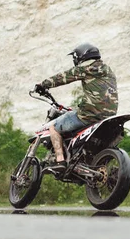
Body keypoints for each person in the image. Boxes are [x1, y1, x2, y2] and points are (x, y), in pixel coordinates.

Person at [34, 43, 118, 173]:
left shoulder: (86, 68)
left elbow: (64, 77)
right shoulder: (108, 70)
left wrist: (43, 85)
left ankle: (60, 160)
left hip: (90, 114)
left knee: (54, 127)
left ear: (80, 56)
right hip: (110, 116)